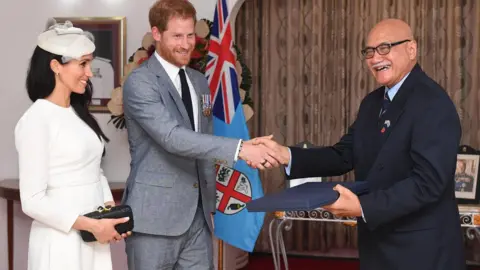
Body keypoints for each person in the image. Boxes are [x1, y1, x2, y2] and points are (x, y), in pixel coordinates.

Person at [253, 18, 466, 270]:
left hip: (421, 249)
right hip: (377, 242)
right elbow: (344, 155)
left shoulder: (432, 102)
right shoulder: (372, 103)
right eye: (369, 51)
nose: (376, 58)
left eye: (385, 47)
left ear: (412, 49)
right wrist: (286, 155)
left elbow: (428, 183)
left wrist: (363, 206)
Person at [121, 0, 278, 269]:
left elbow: (203, 140)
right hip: (154, 218)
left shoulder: (199, 81)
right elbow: (173, 137)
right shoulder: (141, 82)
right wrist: (241, 148)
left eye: (190, 34)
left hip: (199, 218)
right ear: (156, 34)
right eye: (177, 36)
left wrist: (211, 204)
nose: (186, 44)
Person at [15, 21, 130, 270]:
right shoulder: (36, 119)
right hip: (59, 243)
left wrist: (109, 212)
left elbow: (94, 171)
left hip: (93, 238)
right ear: (56, 66)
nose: (90, 72)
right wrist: (91, 225)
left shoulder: (79, 114)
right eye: (83, 64)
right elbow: (32, 200)